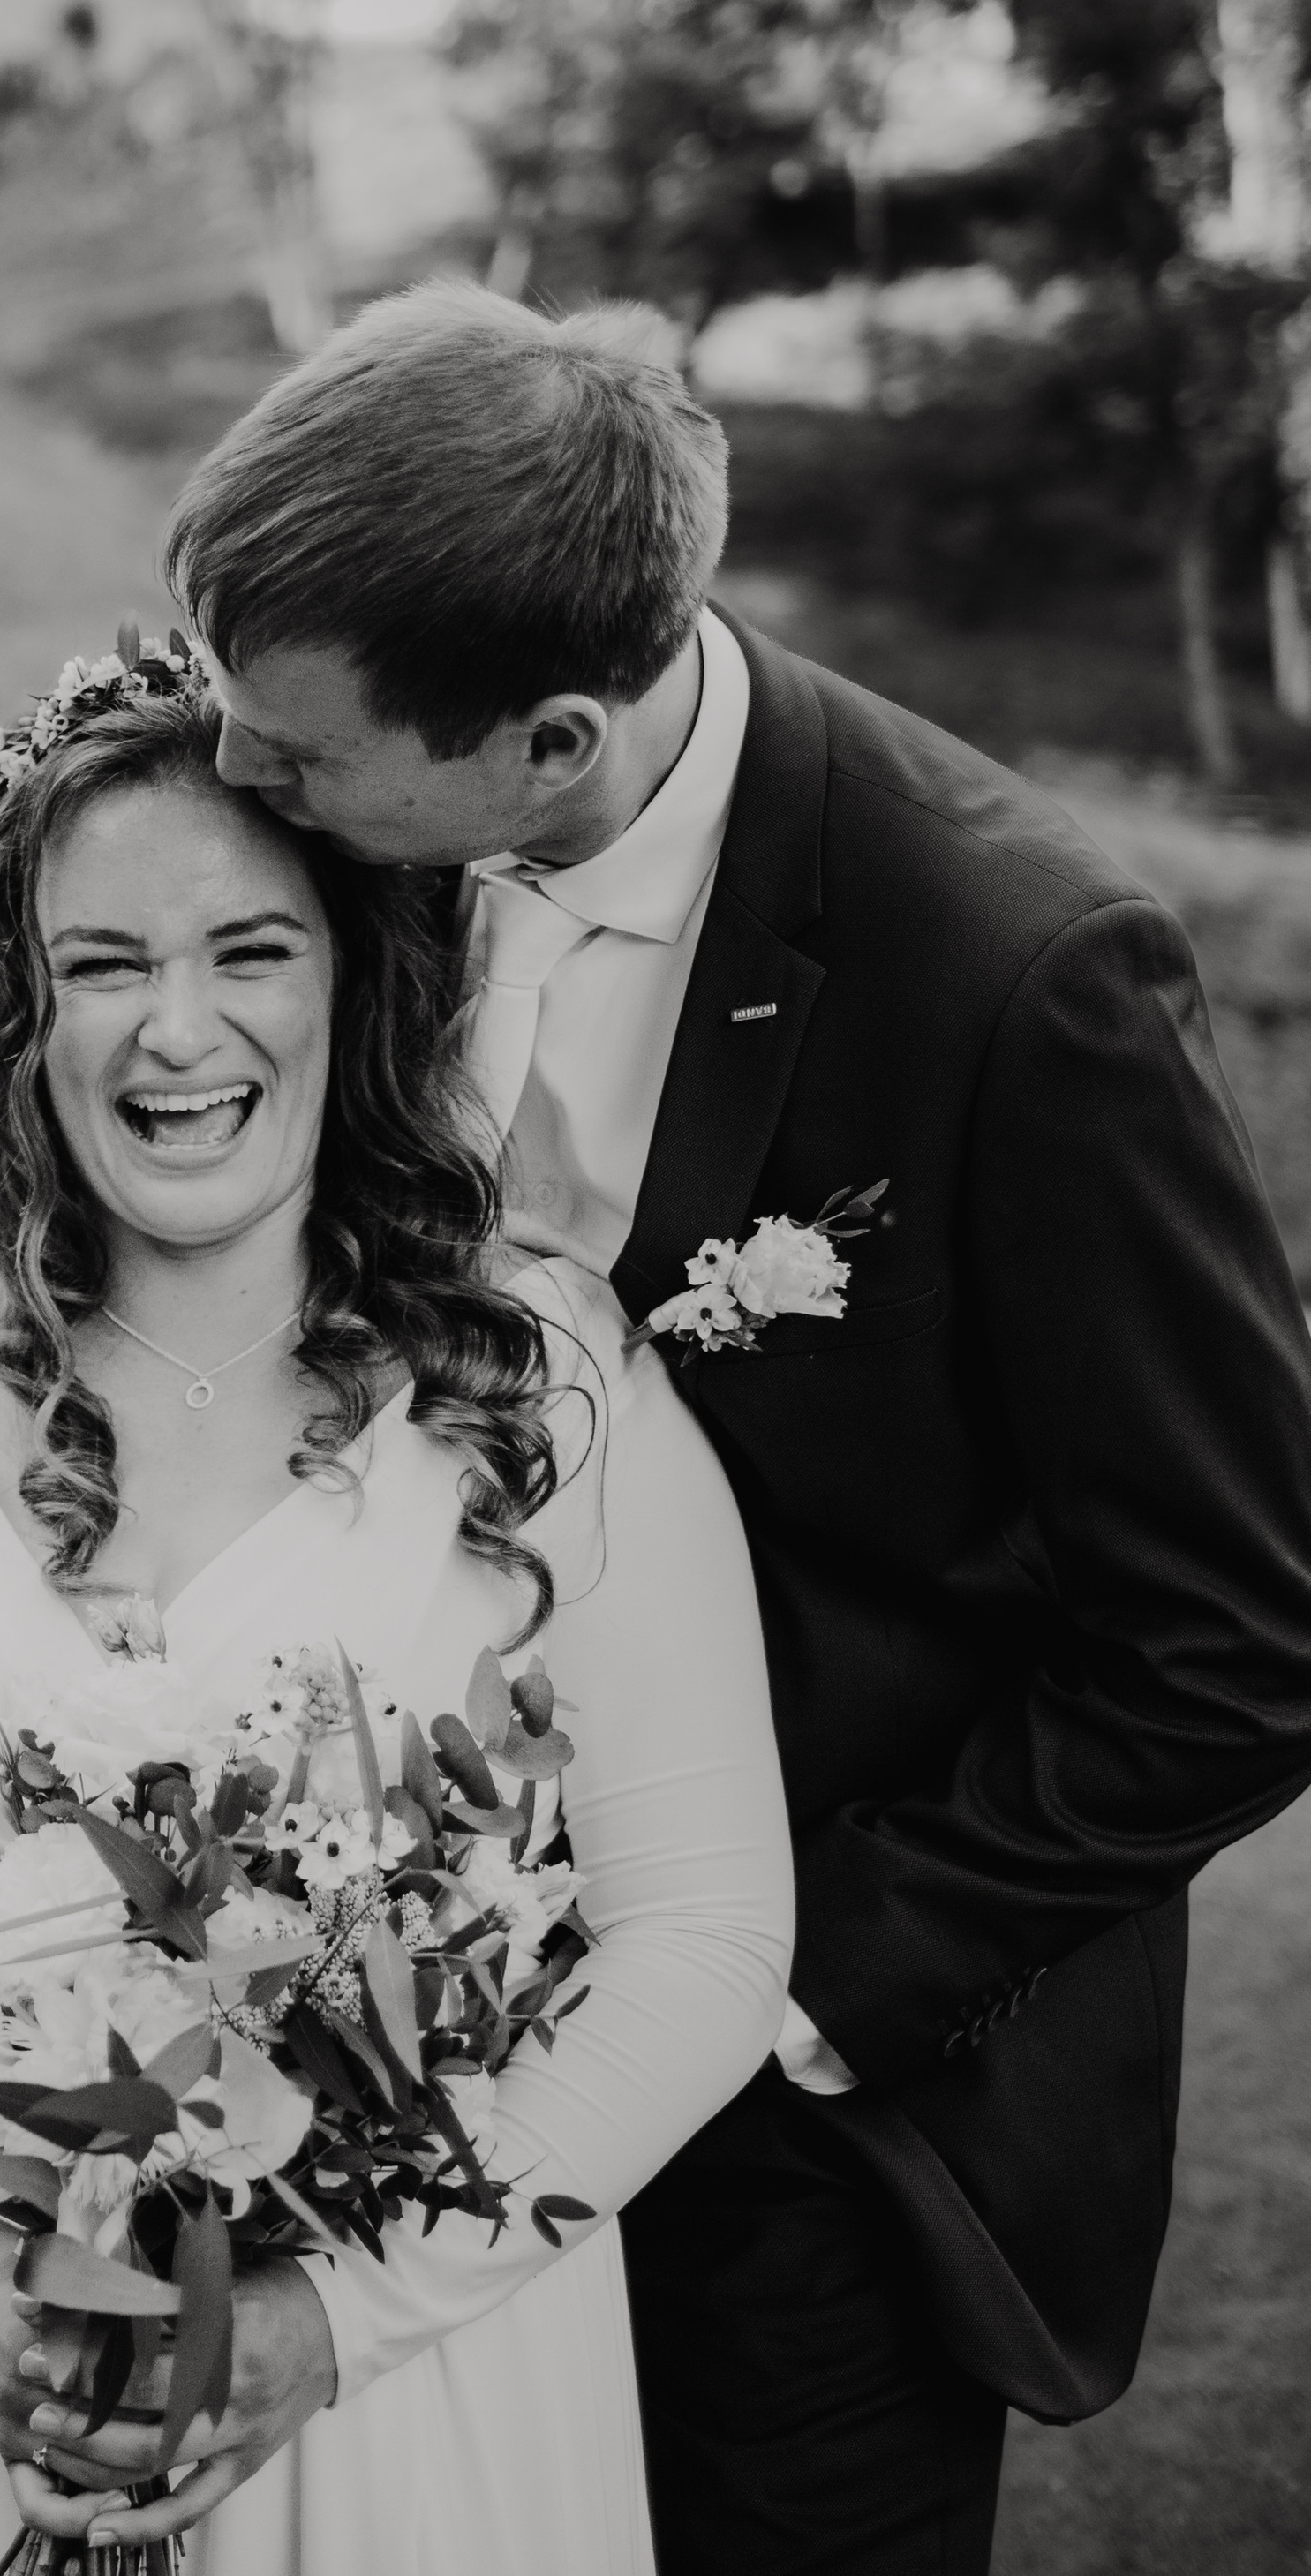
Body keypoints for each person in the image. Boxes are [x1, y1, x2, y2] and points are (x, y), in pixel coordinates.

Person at [142, 276, 1311, 2576]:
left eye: (290, 752)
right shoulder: (363, 855)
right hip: (364, 2040)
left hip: (793, 2146)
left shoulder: (1022, 978)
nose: (232, 783)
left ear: (550, 738)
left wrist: (809, 1988)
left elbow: (1252, 1630)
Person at [0, 646, 794, 2573]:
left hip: (405, 2394)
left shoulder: (547, 1381)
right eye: (102, 966)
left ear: (357, 979)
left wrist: (330, 2323)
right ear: (24, 1016)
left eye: (247, 950)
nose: (174, 1032)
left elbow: (702, 1933)